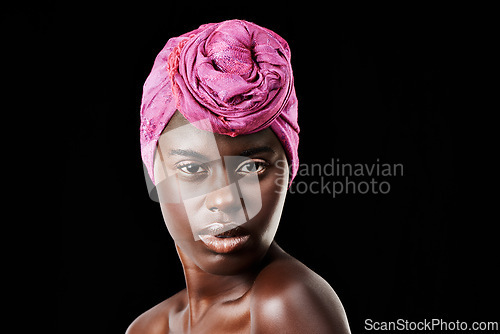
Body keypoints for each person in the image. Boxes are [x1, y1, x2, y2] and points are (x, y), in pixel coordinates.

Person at [128, 19, 350, 333]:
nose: (225, 198)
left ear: (289, 169)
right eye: (192, 169)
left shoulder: (285, 303)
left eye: (252, 167)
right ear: (153, 174)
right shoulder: (148, 328)